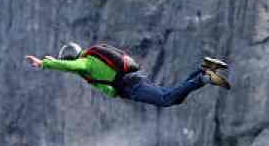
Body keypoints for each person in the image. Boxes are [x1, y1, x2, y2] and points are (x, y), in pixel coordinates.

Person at [25, 42, 230, 108]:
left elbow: (69, 66)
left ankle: (203, 77)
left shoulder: (85, 63)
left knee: (166, 99)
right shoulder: (93, 57)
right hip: (137, 79)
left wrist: (44, 64)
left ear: (71, 58)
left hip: (131, 86)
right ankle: (204, 70)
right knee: (172, 98)